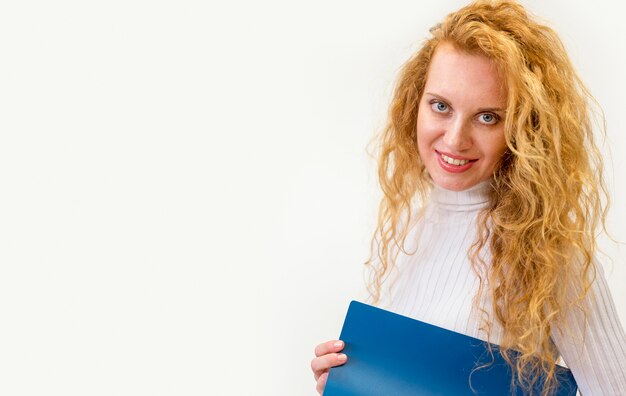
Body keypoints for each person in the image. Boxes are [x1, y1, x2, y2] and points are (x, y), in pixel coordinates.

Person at [310, 1, 626, 395]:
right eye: (441, 106)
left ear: (524, 129)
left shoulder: (552, 255)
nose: (456, 138)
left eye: (487, 117)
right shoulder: (408, 226)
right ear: (415, 104)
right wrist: (348, 382)